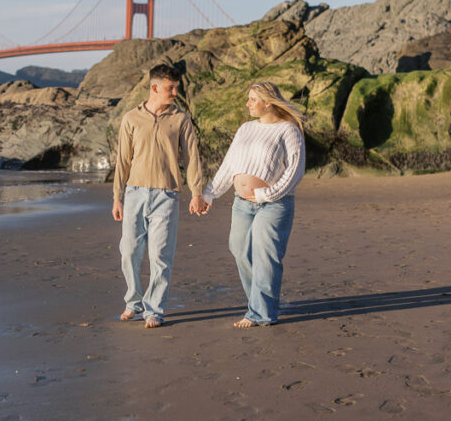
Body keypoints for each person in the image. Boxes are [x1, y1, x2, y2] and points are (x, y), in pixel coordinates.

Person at [201, 81, 306, 328]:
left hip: (274, 203)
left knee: (266, 256)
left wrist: (267, 194)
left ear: (268, 102)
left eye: (252, 99)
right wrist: (209, 194)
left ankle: (261, 313)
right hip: (241, 203)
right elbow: (229, 164)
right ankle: (260, 303)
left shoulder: (288, 130)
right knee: (238, 249)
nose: (247, 104)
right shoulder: (246, 128)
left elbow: (296, 170)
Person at [112, 63, 206, 329]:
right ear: (154, 88)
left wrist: (196, 193)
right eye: (170, 87)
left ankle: (154, 309)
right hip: (134, 193)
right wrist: (117, 196)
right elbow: (122, 160)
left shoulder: (181, 119)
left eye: (176, 87)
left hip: (167, 194)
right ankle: (133, 303)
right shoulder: (131, 118)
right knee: (129, 251)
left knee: (160, 255)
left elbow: (192, 159)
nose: (175, 92)